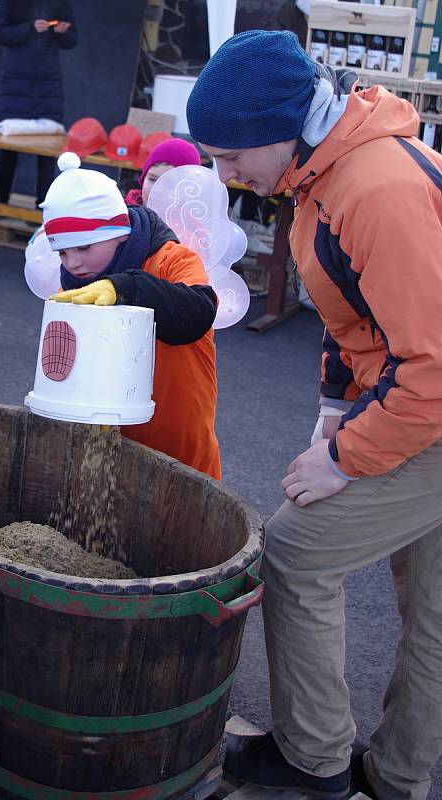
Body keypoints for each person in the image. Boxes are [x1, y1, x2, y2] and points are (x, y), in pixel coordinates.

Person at [186, 29, 442, 800]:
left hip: (429, 405)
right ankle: (398, 778)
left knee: (295, 556)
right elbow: (353, 311)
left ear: (282, 125)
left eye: (230, 156)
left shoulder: (374, 188)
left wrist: (344, 457)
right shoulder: (326, 167)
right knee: (431, 604)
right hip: (410, 396)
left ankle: (314, 762)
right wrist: (336, 410)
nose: (221, 174)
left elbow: (431, 368)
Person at [43, 152, 221, 480]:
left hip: (176, 437)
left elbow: (198, 312)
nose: (73, 263)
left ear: (121, 233)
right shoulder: (80, 278)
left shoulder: (173, 259)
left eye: (83, 248)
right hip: (107, 438)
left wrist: (127, 287)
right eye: (63, 252)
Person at [0, 0, 77, 217]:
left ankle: (41, 210)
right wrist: (29, 28)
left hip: (49, 82)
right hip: (15, 80)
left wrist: (62, 32)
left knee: (47, 150)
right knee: (8, 147)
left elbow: (73, 39)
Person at [124, 138, 201, 206]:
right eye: (152, 179)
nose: (158, 191)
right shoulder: (120, 215)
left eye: (170, 185)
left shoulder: (189, 222)